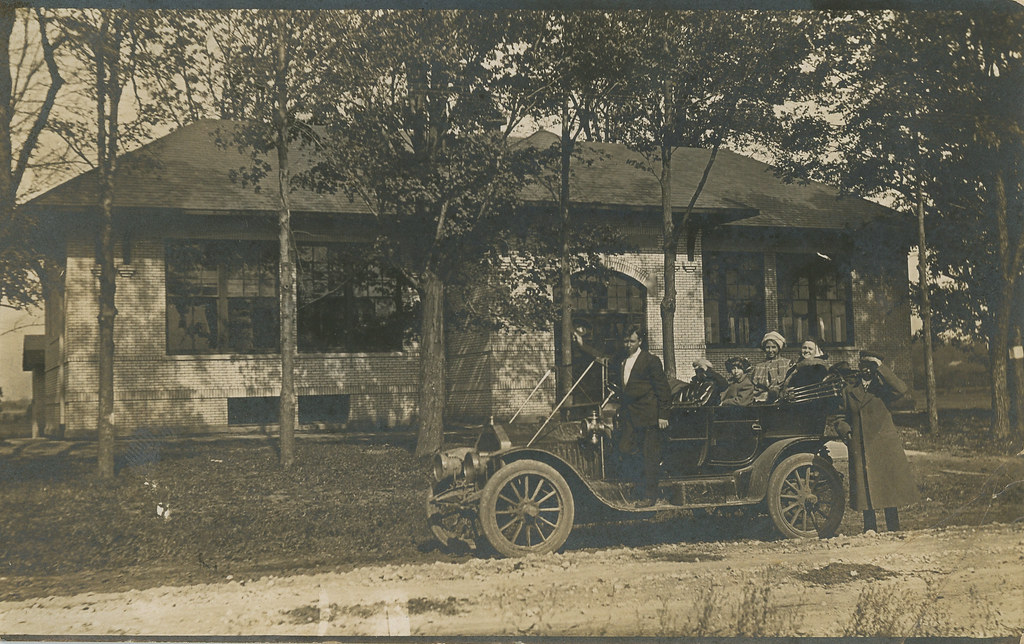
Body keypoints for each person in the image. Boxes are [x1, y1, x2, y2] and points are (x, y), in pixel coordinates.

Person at [575, 325, 672, 506]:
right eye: (626, 341)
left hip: (649, 417)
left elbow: (663, 389)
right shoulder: (621, 359)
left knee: (649, 457)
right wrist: (582, 345)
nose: (628, 345)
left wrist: (663, 415)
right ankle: (637, 489)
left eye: (632, 341)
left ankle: (649, 497)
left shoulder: (651, 361)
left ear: (640, 341)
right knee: (626, 450)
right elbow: (601, 358)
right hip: (630, 416)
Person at [835, 350, 920, 532]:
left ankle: (893, 528)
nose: (866, 370)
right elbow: (840, 416)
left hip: (883, 443)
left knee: (888, 485)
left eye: (871, 366)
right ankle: (869, 529)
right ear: (859, 366)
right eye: (863, 365)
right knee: (865, 487)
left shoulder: (884, 389)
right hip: (860, 443)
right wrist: (845, 431)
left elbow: (902, 389)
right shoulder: (849, 390)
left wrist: (881, 367)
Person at [752, 331, 792, 403]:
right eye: (767, 347)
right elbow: (754, 388)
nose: (770, 350)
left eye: (774, 347)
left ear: (779, 347)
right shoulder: (759, 367)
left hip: (782, 401)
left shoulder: (787, 364)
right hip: (761, 402)